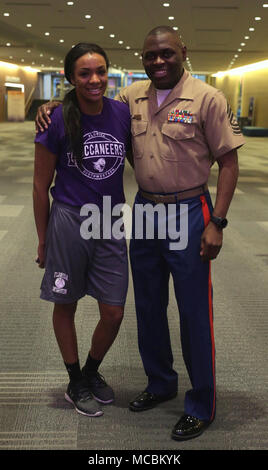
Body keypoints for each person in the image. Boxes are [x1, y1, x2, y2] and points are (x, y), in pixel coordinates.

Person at [35, 26, 244, 440]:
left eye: (166, 53)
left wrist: (217, 222)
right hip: (145, 209)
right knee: (147, 305)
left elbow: (230, 164)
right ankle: (161, 383)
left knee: (193, 311)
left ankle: (201, 402)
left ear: (182, 51)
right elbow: (86, 107)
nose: (158, 61)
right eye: (151, 56)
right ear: (142, 60)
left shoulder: (208, 98)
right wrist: (50, 105)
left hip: (189, 210)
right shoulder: (129, 99)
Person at [33, 43, 131, 418]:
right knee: (66, 302)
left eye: (101, 71)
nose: (94, 80)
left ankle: (90, 371)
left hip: (109, 219)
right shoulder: (54, 120)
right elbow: (40, 186)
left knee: (114, 312)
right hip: (70, 219)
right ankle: (75, 379)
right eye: (85, 73)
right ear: (70, 77)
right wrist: (43, 239)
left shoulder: (121, 113)